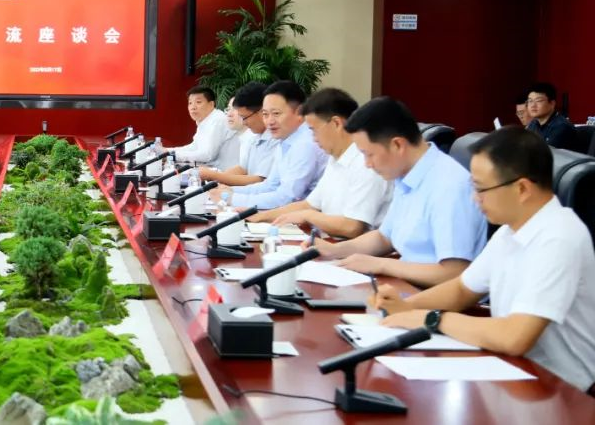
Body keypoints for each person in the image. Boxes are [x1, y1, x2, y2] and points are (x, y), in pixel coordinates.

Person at [371, 127, 594, 394]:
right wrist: (404, 307)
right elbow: (462, 289)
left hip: (564, 391)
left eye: (480, 189)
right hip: (515, 373)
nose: (474, 199)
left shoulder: (559, 237)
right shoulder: (510, 231)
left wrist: (431, 319)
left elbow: (514, 337)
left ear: (522, 188)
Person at [308, 96, 487, 288]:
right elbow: (384, 238)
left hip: (432, 296)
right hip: (405, 286)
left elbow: (454, 273)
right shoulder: (405, 175)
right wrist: (333, 250)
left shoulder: (449, 186)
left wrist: (382, 265)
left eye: (369, 154)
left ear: (397, 145)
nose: (367, 164)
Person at [251, 88, 392, 239]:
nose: (313, 138)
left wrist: (308, 216)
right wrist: (260, 217)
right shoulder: (335, 158)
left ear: (336, 123)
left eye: (314, 130)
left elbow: (352, 227)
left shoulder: (365, 163)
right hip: (329, 242)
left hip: (353, 248)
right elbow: (309, 204)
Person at [226, 80, 328, 210]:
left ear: (299, 112)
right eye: (265, 114)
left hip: (307, 219)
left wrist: (232, 198)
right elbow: (270, 185)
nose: (270, 121)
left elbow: (287, 198)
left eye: (276, 114)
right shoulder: (286, 138)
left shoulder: (305, 143)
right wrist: (229, 191)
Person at [200, 82, 278, 188]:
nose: (244, 122)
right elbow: (243, 168)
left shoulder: (275, 138)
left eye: (244, 117)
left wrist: (215, 176)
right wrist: (214, 180)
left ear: (261, 111)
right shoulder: (253, 136)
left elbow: (259, 180)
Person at [164, 86, 239, 169]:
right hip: (214, 169)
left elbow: (207, 155)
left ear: (211, 104)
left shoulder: (218, 120)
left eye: (198, 102)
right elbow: (194, 147)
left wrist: (172, 155)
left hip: (226, 173)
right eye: (190, 103)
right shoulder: (205, 121)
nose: (193, 107)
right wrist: (167, 151)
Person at [525, 82, 579, 150]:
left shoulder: (562, 127)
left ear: (552, 103)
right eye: (530, 101)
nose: (533, 105)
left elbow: (546, 153)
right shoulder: (533, 123)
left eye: (538, 101)